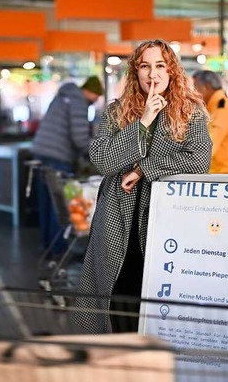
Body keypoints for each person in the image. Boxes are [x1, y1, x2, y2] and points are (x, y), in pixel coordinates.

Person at [74, 39, 212, 334]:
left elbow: (199, 160)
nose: (153, 75)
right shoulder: (116, 111)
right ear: (135, 72)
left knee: (157, 296)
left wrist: (142, 169)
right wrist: (144, 120)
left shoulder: (191, 111)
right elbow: (103, 160)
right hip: (116, 217)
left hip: (165, 219)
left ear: (172, 71)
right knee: (117, 294)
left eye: (160, 66)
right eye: (145, 66)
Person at [30, 75, 103, 255]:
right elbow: (79, 138)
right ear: (91, 92)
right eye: (96, 97)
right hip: (58, 158)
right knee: (61, 206)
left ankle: (47, 246)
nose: (95, 101)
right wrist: (95, 153)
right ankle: (59, 250)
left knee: (48, 203)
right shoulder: (78, 102)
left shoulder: (62, 97)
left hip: (41, 153)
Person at [192, 70, 228, 174]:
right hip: (219, 174)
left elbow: (207, 147)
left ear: (206, 87)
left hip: (224, 176)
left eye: (195, 87)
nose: (193, 92)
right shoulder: (215, 108)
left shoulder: (223, 110)